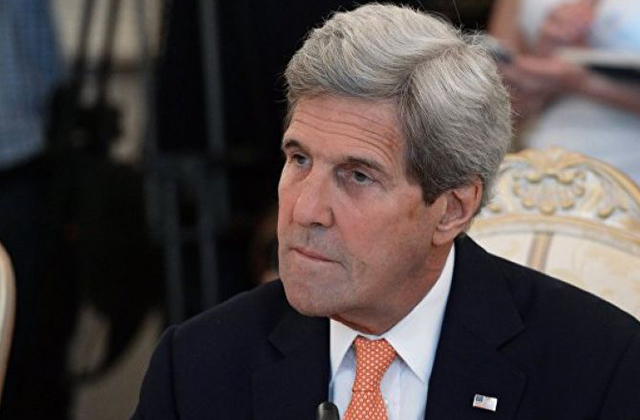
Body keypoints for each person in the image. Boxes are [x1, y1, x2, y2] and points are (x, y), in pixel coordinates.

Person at [131, 4, 640, 420]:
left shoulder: (596, 367)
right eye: (299, 159)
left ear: (452, 209)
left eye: (358, 176)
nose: (306, 210)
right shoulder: (196, 366)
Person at [489, 0, 640, 183]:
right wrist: (543, 60)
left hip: (629, 170)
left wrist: (581, 81)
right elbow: (498, 112)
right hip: (540, 165)